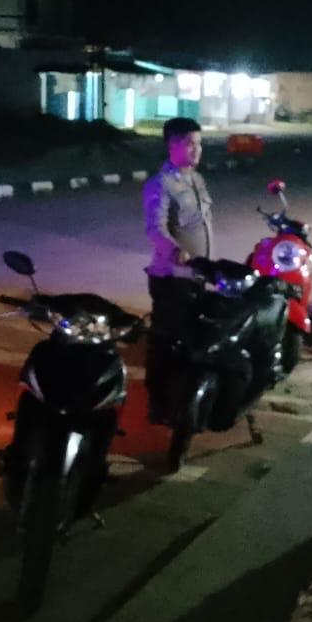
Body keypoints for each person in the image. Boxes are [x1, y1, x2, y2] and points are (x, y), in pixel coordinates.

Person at [142, 117, 213, 425]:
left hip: (197, 277)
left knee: (189, 343)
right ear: (172, 145)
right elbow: (155, 228)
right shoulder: (161, 184)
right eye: (190, 143)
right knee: (164, 344)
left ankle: (179, 399)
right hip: (171, 279)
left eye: (199, 144)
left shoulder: (196, 179)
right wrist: (174, 251)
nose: (197, 150)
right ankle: (157, 405)